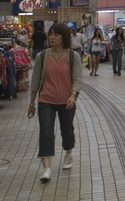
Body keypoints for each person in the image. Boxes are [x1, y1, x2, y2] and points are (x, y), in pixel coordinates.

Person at [27, 23, 83, 182]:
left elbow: (78, 79)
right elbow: (35, 80)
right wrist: (32, 103)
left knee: (67, 130)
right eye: (50, 34)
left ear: (63, 37)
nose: (52, 37)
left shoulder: (73, 56)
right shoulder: (42, 56)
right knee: (45, 133)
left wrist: (73, 95)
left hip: (67, 101)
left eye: (56, 35)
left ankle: (68, 152)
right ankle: (46, 169)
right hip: (46, 100)